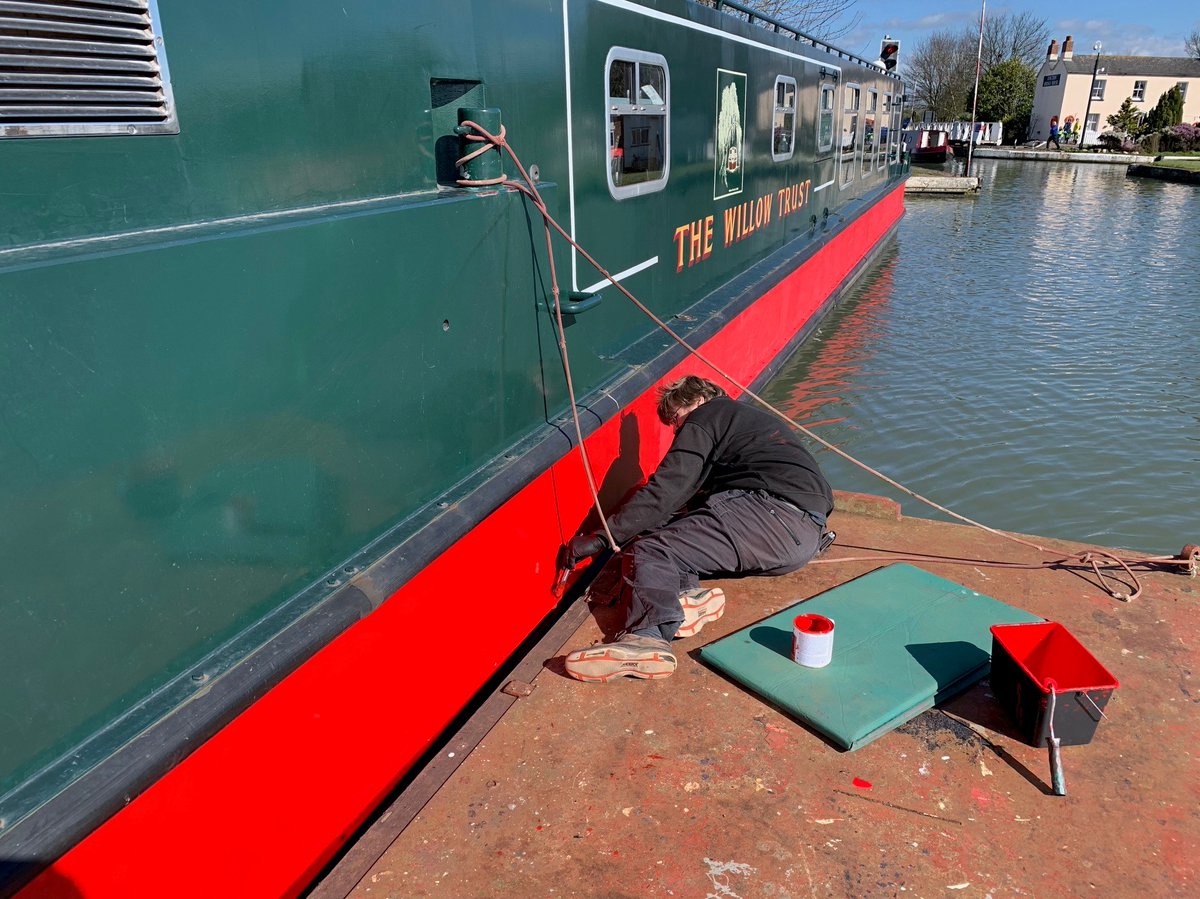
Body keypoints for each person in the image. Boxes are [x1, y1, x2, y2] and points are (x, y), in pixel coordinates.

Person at [561, 376, 833, 683]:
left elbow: (667, 490)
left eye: (676, 419)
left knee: (651, 549)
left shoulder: (708, 415)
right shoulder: (746, 424)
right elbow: (686, 505)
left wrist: (602, 537)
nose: (677, 430)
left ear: (696, 400)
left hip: (769, 516)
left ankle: (645, 638)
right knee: (677, 540)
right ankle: (688, 596)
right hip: (801, 538)